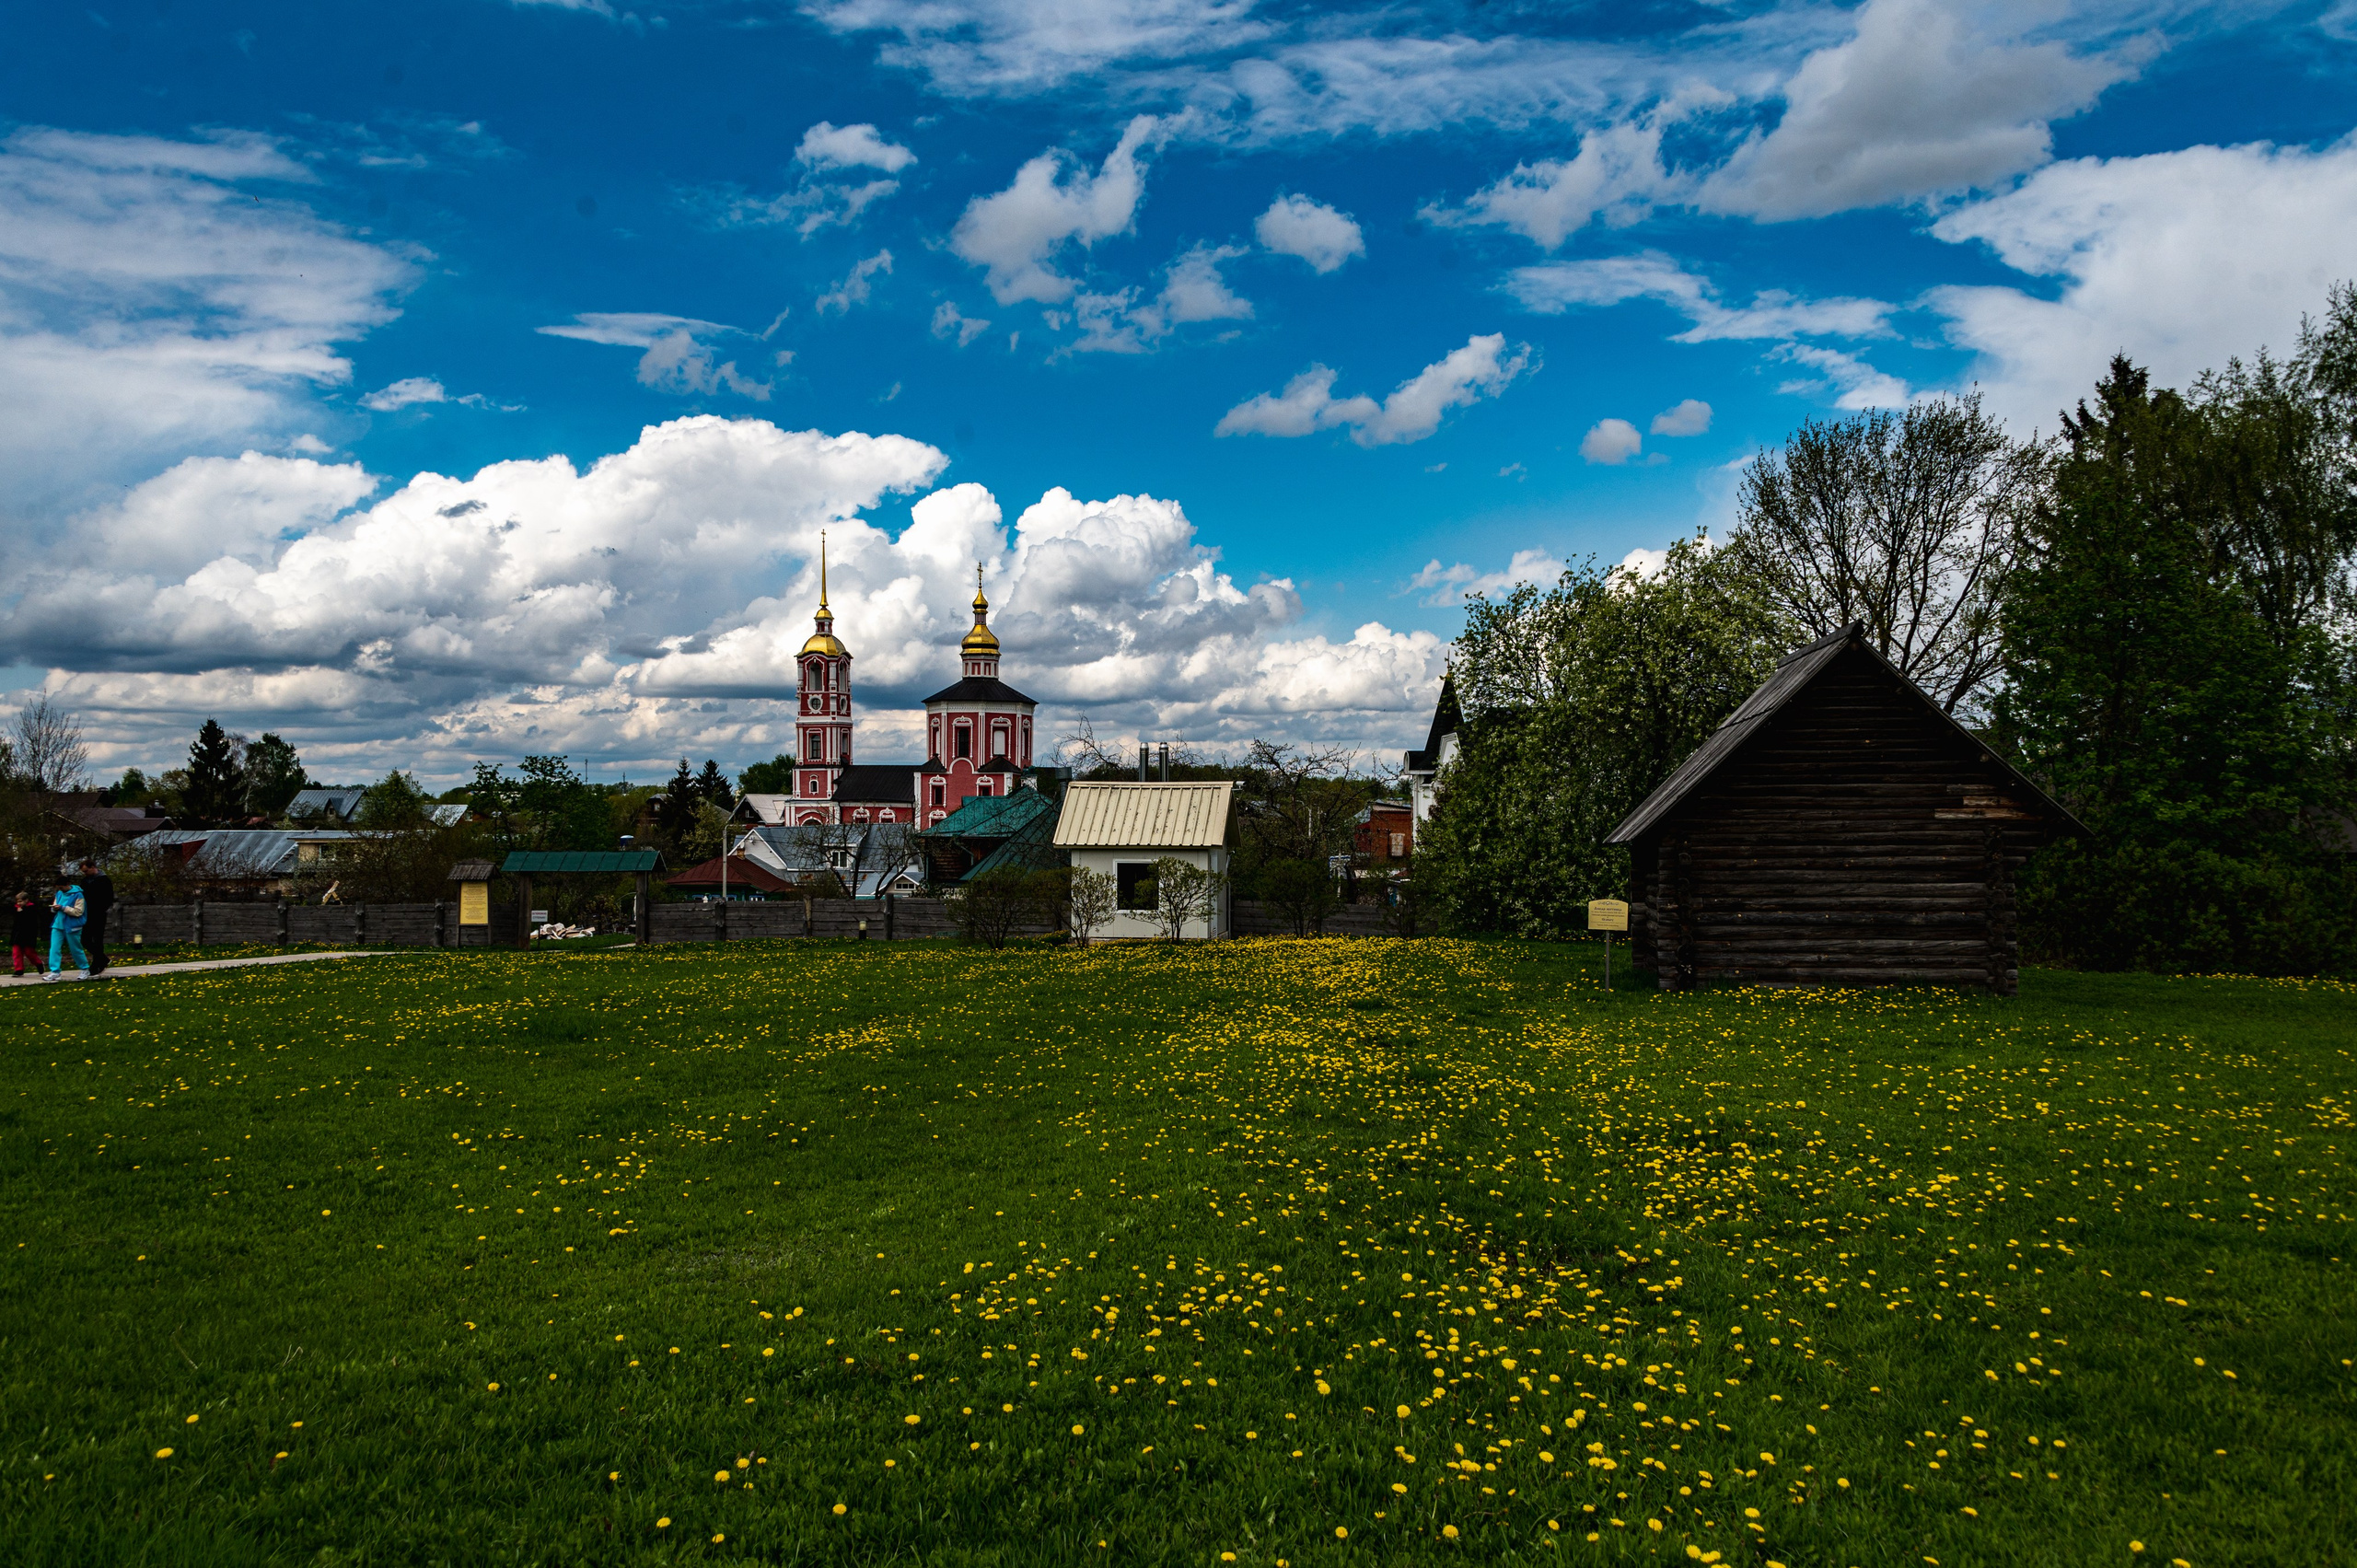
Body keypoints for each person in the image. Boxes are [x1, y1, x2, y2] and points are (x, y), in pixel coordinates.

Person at [78, 859, 115, 976]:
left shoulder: (104, 880)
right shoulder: (84, 881)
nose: (85, 873)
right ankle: (102, 958)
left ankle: (96, 963)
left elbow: (109, 898)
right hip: (87, 913)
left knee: (98, 939)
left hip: (98, 913)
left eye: (86, 870)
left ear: (93, 867)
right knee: (85, 939)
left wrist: (101, 908)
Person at [48, 877, 87, 980]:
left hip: (72, 926)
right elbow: (55, 907)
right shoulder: (59, 893)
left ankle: (84, 969)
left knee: (75, 949)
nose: (60, 890)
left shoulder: (78, 895)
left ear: (67, 884)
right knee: (54, 949)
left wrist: (62, 908)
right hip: (57, 925)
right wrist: (54, 908)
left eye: (61, 887)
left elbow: (78, 912)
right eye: (58, 888)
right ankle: (55, 972)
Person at [9, 889, 41, 976]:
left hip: (28, 935)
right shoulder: (16, 909)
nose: (19, 903)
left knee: (29, 952)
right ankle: (19, 970)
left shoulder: (31, 909)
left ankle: (38, 963)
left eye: (21, 901)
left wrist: (21, 913)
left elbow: (29, 922)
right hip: (17, 935)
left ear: (26, 900)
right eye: (17, 901)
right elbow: (16, 922)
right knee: (16, 953)